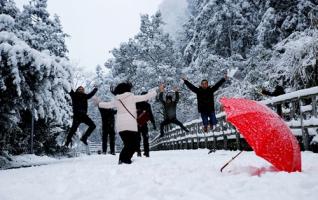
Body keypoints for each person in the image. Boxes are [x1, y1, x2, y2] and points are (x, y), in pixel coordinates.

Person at [98, 82, 157, 164]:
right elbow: (145, 97)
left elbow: (108, 105)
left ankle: (123, 159)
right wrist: (157, 91)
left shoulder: (117, 99)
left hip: (121, 126)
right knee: (133, 144)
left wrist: (99, 103)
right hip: (131, 125)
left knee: (128, 144)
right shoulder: (131, 97)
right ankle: (124, 159)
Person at [136, 91, 156, 157]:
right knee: (145, 138)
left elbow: (150, 114)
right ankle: (146, 152)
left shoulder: (136, 103)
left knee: (139, 139)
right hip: (142, 124)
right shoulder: (146, 105)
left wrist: (153, 123)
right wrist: (153, 123)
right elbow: (150, 115)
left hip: (138, 124)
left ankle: (140, 152)